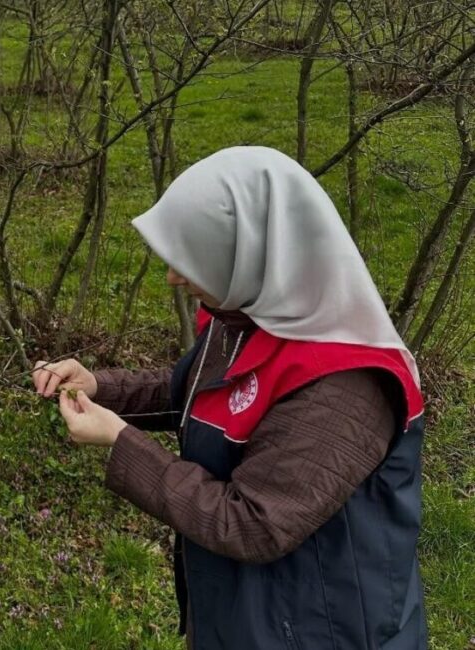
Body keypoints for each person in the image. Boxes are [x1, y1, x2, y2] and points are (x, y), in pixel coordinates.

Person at [33, 146, 426, 649]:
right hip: (247, 616)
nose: (174, 277)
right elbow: (208, 396)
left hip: (322, 628)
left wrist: (120, 442)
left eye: (190, 260)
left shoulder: (346, 387)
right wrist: (99, 388)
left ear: (249, 253)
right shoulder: (248, 317)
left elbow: (253, 524)